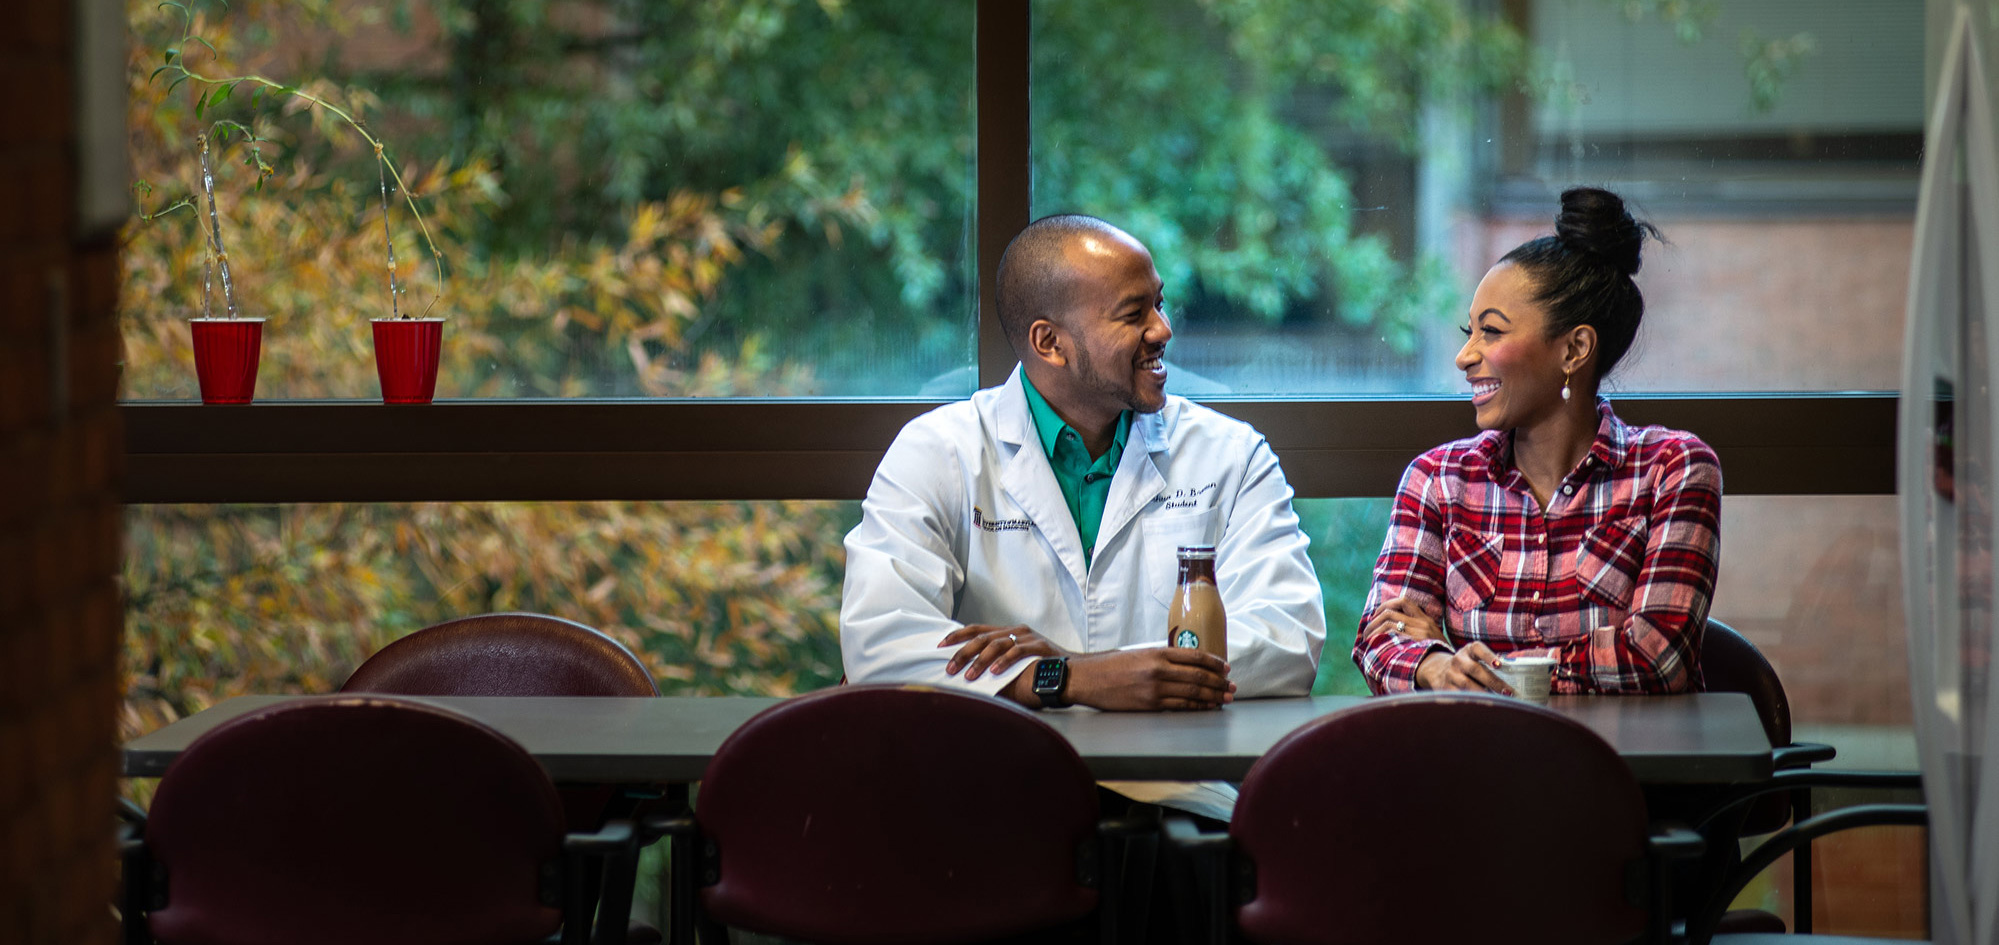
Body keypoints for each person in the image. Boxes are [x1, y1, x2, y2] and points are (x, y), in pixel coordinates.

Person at [840, 213, 1325, 814]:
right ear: (1051, 343)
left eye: (1161, 305)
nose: (1163, 330)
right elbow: (879, 642)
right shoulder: (939, 451)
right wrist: (1062, 679)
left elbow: (1288, 636)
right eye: (1133, 314)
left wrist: (1103, 672)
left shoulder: (1231, 454)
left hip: (1174, 797)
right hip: (987, 796)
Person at [1354, 187, 1721, 695]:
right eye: (1469, 332)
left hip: (1625, 769)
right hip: (1478, 767)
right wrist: (1437, 667)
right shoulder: (1438, 479)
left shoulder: (1672, 470)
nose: (1465, 356)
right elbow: (1380, 640)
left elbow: (1657, 658)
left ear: (1574, 349)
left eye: (1492, 332)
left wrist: (1478, 668)